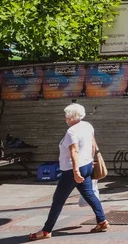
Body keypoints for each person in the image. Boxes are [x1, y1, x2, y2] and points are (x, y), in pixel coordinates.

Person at [29, 103, 109, 240]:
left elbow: (74, 151)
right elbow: (93, 143)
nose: (65, 118)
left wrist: (76, 171)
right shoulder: (87, 126)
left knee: (58, 200)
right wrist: (90, 158)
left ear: (71, 116)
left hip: (72, 170)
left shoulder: (71, 132)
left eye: (66, 115)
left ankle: (46, 231)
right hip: (87, 165)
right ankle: (102, 221)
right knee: (89, 194)